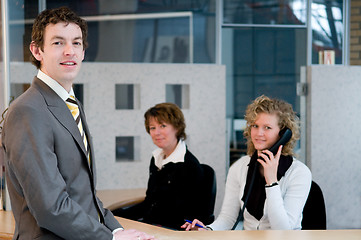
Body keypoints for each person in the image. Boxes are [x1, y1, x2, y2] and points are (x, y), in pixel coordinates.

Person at [1, 7, 154, 240]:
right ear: (37, 50)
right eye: (58, 43)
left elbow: (84, 194)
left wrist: (118, 230)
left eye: (77, 43)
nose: (69, 51)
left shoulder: (70, 104)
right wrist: (110, 238)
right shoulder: (27, 111)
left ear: (83, 52)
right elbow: (51, 207)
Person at [182, 95, 312, 231]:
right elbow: (228, 218)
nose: (258, 133)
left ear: (283, 134)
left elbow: (284, 231)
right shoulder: (239, 167)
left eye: (267, 127)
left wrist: (272, 182)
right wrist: (207, 230)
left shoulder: (299, 173)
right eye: (255, 126)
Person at [113, 103, 206, 230]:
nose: (156, 133)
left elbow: (180, 214)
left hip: (171, 230)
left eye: (162, 126)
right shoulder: (157, 158)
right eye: (152, 128)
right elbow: (150, 203)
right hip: (152, 224)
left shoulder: (188, 165)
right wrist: (115, 216)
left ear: (177, 128)